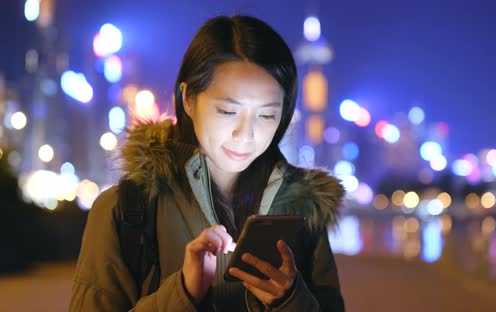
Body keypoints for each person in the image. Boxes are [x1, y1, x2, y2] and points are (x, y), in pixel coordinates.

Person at [69, 15, 345, 311]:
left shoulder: (304, 211)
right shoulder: (126, 209)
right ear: (188, 99)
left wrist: (291, 301)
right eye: (227, 111)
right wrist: (182, 293)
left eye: (266, 115)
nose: (246, 134)